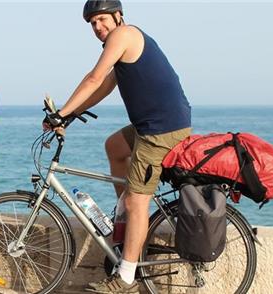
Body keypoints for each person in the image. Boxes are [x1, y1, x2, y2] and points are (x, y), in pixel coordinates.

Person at [43, 1, 192, 292]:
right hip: (153, 125)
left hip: (160, 131)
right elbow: (105, 86)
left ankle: (125, 279)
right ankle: (124, 218)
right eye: (92, 24)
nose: (97, 27)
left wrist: (60, 113)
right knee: (114, 147)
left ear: (117, 16)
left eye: (101, 20)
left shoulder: (123, 36)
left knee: (138, 201)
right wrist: (70, 114)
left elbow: (93, 78)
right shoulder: (124, 43)